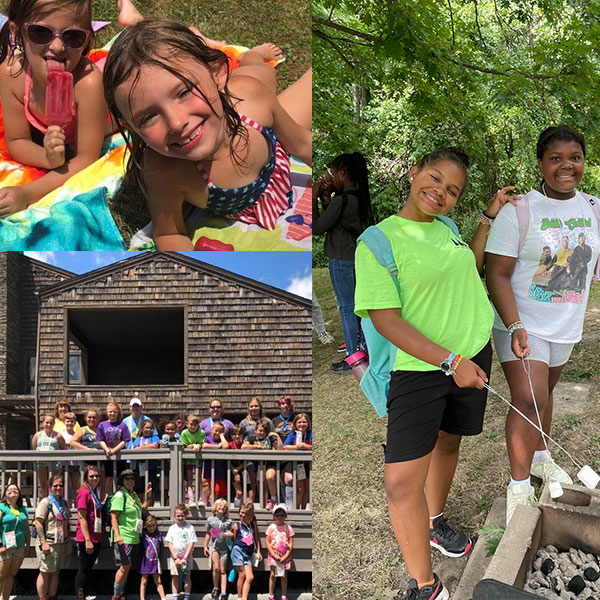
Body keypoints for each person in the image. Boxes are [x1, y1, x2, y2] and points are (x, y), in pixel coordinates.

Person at [353, 147, 516, 599]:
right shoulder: (378, 241)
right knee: (402, 481)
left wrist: (487, 218)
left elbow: (472, 267)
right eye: (434, 178)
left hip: (472, 355)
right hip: (421, 369)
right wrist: (449, 362)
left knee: (449, 440)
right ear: (413, 172)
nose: (440, 192)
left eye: (452, 190)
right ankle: (426, 587)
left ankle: (434, 520)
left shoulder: (446, 229)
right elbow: (386, 320)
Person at [102, 19, 312, 250]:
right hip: (235, 106)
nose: (176, 122)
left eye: (183, 92)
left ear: (217, 73)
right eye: (149, 117)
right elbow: (170, 234)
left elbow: (302, 144)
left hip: (243, 103)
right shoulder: (164, 172)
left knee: (263, 73)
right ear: (132, 128)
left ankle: (250, 56)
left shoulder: (254, 101)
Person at [485, 125, 599, 525]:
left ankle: (541, 459)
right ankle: (518, 489)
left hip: (564, 325)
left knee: (545, 395)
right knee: (529, 397)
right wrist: (514, 324)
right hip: (522, 322)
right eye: (556, 158)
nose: (566, 165)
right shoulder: (520, 210)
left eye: (575, 157)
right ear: (540, 163)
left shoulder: (593, 208)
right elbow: (495, 273)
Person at [0, 0, 114, 217]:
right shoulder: (11, 74)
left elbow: (85, 159)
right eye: (40, 33)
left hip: (113, 107)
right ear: (17, 32)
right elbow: (16, 141)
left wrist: (26, 194)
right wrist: (48, 158)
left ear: (87, 38)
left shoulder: (87, 84)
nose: (58, 47)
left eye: (73, 36)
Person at [312, 152, 374, 374]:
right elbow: (335, 221)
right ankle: (367, 350)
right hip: (358, 259)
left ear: (343, 173)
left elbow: (317, 227)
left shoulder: (342, 200)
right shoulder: (359, 199)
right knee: (359, 307)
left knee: (347, 308)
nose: (329, 178)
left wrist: (312, 196)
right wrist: (325, 200)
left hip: (340, 260)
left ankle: (352, 357)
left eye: (332, 173)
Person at [110, 469, 151, 600]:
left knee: (127, 567)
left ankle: (121, 592)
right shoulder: (119, 495)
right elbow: (114, 517)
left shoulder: (133, 495)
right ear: (122, 481)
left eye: (132, 479)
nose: (130, 481)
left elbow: (142, 509)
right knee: (124, 567)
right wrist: (117, 536)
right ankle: (115, 595)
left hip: (135, 537)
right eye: (127, 479)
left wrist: (148, 496)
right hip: (124, 537)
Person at [35, 475, 71, 600]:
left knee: (56, 572)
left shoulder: (64, 502)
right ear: (50, 487)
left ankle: (52, 596)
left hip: (61, 542)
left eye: (61, 485)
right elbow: (38, 523)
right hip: (48, 543)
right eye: (55, 485)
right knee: (45, 573)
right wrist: (43, 542)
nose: (58, 487)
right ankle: (42, 597)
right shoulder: (46, 502)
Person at [75, 465, 103, 600]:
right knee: (84, 569)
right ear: (86, 477)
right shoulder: (84, 492)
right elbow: (82, 517)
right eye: (91, 476)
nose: (95, 478)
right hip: (87, 537)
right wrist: (87, 540)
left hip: (95, 535)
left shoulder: (93, 491)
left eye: (97, 475)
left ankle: (84, 594)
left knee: (88, 569)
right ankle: (80, 596)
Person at [242, 418, 281, 509]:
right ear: (255, 430)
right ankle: (259, 507)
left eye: (264, 431)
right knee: (257, 485)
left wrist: (277, 436)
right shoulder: (252, 438)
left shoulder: (270, 439)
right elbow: (243, 447)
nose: (262, 433)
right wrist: (257, 447)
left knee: (266, 481)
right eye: (260, 430)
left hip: (268, 463)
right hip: (256, 464)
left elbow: (280, 449)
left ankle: (270, 501)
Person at [0, 484, 30, 600]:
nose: (12, 490)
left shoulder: (23, 510)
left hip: (19, 546)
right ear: (5, 493)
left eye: (15, 489)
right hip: (5, 547)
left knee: (11, 575)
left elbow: (27, 529)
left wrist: (27, 544)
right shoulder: (2, 507)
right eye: (9, 489)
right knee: (1, 576)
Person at [97, 401, 131, 496]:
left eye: (114, 411)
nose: (112, 413)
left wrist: (115, 450)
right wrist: (107, 449)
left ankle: (120, 495)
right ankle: (108, 497)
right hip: (107, 455)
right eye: (110, 411)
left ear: (118, 413)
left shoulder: (122, 425)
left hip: (119, 454)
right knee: (108, 476)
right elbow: (100, 440)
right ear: (107, 412)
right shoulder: (102, 425)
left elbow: (125, 440)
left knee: (120, 476)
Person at [165, 503, 197, 600]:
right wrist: (175, 557)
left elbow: (191, 543)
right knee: (175, 576)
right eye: (178, 516)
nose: (180, 518)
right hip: (175, 557)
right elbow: (169, 543)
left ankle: (187, 596)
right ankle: (175, 596)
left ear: (186, 515)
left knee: (187, 576)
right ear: (174, 516)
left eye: (182, 515)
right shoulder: (172, 528)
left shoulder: (190, 528)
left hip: (186, 557)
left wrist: (185, 557)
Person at [231, 501, 262, 600]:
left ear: (250, 515)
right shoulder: (237, 525)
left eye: (245, 513)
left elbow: (256, 537)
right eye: (241, 512)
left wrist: (258, 551)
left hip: (248, 553)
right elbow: (235, 540)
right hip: (238, 551)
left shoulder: (252, 525)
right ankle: (240, 597)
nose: (242, 514)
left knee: (250, 577)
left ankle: (244, 598)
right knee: (242, 574)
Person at [203, 498, 233, 600]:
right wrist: (205, 546)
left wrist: (230, 534)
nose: (222, 507)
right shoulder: (210, 520)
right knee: (216, 568)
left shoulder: (228, 521)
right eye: (220, 505)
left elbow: (232, 533)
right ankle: (216, 587)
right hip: (214, 547)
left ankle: (224, 591)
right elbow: (208, 534)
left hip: (224, 548)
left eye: (224, 506)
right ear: (215, 507)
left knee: (223, 570)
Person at [282, 413, 312, 509]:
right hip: (298, 464)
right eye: (299, 422)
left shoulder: (311, 434)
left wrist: (306, 447)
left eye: (304, 422)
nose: (301, 424)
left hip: (309, 464)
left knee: (307, 487)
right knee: (300, 488)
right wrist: (297, 447)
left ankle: (303, 509)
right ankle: (296, 508)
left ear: (308, 423)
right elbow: (285, 446)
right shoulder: (293, 435)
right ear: (295, 424)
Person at [32, 415, 66, 498]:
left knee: (55, 483)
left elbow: (63, 448)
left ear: (54, 424)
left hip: (55, 463)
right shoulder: (37, 435)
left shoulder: (58, 435)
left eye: (51, 423)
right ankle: (45, 501)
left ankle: (55, 500)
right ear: (43, 423)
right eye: (47, 422)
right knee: (43, 484)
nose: (49, 425)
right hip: (41, 462)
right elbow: (34, 447)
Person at [265, 504, 294, 600]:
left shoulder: (288, 528)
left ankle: (284, 595)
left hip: (285, 556)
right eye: (277, 515)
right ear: (274, 516)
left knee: (284, 575)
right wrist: (273, 554)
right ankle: (271, 594)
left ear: (285, 516)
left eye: (282, 515)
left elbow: (290, 543)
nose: (280, 517)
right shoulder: (271, 527)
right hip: (274, 556)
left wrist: (285, 556)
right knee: (273, 574)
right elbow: (268, 542)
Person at [131, 418, 160, 506]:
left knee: (151, 488)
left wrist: (140, 448)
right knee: (139, 488)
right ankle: (140, 507)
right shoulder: (138, 439)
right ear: (142, 429)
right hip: (139, 467)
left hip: (151, 467)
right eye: (147, 428)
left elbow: (155, 445)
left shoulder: (154, 438)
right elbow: (133, 448)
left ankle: (150, 507)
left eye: (151, 428)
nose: (149, 430)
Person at [179, 414, 206, 506]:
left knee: (200, 479)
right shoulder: (184, 433)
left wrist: (199, 445)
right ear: (186, 424)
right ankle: (191, 499)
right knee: (189, 480)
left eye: (195, 424)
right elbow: (185, 446)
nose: (193, 426)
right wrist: (194, 445)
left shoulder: (201, 432)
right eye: (191, 424)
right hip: (188, 460)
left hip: (199, 460)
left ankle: (201, 498)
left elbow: (202, 443)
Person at [201, 421, 230, 506]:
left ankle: (214, 505)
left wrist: (222, 436)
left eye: (220, 431)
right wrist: (217, 447)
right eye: (216, 430)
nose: (217, 433)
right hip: (209, 468)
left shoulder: (223, 440)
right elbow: (204, 446)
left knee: (218, 490)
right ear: (211, 429)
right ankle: (208, 504)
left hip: (220, 469)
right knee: (208, 487)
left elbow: (225, 447)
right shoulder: (208, 439)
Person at [139, 514, 166, 600]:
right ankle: (142, 598)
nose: (152, 527)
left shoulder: (158, 534)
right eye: (149, 526)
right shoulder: (143, 535)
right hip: (145, 562)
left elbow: (160, 548)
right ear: (146, 526)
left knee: (158, 581)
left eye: (154, 525)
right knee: (144, 581)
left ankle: (163, 598)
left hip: (155, 562)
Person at [60, 411, 81, 501]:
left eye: (72, 421)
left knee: (75, 486)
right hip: (64, 464)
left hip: (75, 463)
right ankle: (66, 505)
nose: (69, 423)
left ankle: (77, 505)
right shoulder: (61, 434)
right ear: (64, 422)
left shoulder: (77, 434)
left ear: (75, 423)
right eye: (67, 421)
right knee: (64, 485)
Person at [228, 425, 246, 507]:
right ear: (231, 435)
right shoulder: (229, 445)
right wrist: (234, 471)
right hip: (230, 469)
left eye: (239, 434)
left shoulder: (245, 445)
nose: (237, 436)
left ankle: (239, 506)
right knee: (239, 492)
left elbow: (247, 459)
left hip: (243, 469)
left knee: (244, 492)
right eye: (235, 434)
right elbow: (227, 460)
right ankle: (236, 508)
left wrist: (238, 469)